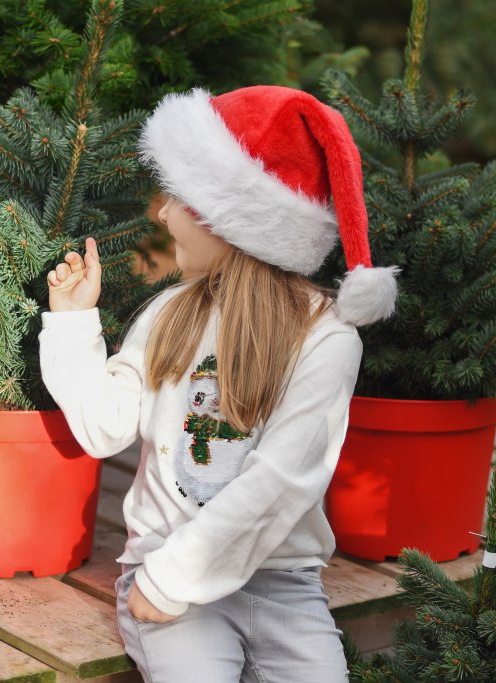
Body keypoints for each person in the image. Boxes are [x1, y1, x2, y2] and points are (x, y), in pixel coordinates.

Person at [39, 85, 398, 683]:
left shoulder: (328, 339)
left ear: (230, 220)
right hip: (163, 575)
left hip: (280, 584)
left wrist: (176, 576)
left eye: (179, 198)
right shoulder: (170, 315)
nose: (163, 215)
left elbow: (281, 481)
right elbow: (104, 428)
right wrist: (74, 323)